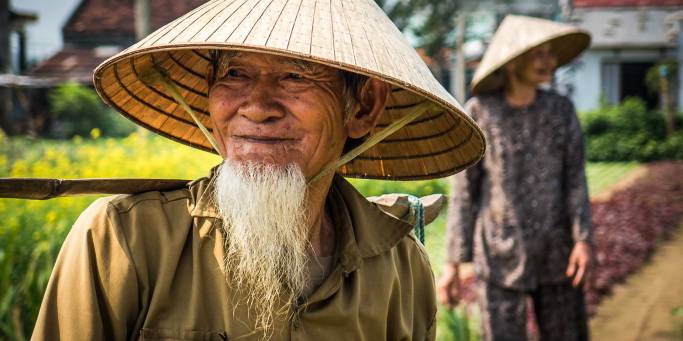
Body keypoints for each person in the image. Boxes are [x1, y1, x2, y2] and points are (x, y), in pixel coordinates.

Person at [31, 1, 486, 340]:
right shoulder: (123, 242)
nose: (257, 106)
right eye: (233, 74)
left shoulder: (401, 267)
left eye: (296, 75)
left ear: (363, 106)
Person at [437, 15, 593, 341]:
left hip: (557, 251)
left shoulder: (560, 111)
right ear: (510, 62)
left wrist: (582, 239)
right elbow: (465, 192)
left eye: (550, 53)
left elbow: (575, 178)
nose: (548, 61)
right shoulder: (480, 112)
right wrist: (452, 264)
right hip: (497, 253)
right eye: (538, 53)